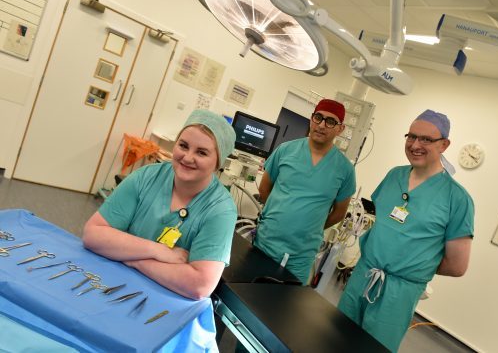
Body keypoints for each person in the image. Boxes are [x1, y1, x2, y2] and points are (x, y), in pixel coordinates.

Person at [338, 109, 474, 352]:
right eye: (411, 137)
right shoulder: (394, 176)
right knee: (335, 336)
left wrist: (412, 267)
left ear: (444, 144)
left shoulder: (457, 199)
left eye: (426, 139)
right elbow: (385, 226)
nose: (415, 145)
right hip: (363, 274)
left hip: (399, 293)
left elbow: (457, 265)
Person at [83, 109, 237, 300]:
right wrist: (158, 251)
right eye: (183, 145)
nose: (188, 157)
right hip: (109, 282)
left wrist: (134, 260)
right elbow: (92, 234)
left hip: (164, 302)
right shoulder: (146, 177)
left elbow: (200, 285)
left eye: (202, 152)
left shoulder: (220, 210)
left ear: (218, 163)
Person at [254, 99, 356, 285]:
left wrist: (309, 228)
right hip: (267, 242)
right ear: (311, 119)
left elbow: (339, 213)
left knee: (285, 305)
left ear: (340, 129)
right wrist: (280, 217)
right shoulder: (285, 150)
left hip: (301, 254)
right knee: (248, 294)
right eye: (318, 117)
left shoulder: (344, 169)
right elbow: (264, 188)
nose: (322, 125)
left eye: (330, 121)